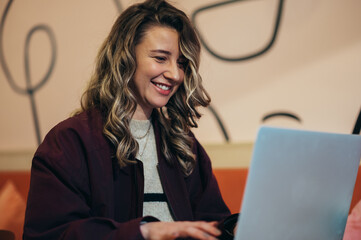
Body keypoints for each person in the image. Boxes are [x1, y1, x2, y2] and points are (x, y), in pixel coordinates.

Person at [23, 0, 237, 239]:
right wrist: (144, 232)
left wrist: (233, 228)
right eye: (160, 58)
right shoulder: (69, 142)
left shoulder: (183, 143)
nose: (175, 74)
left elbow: (211, 222)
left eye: (181, 63)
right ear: (125, 58)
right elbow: (52, 234)